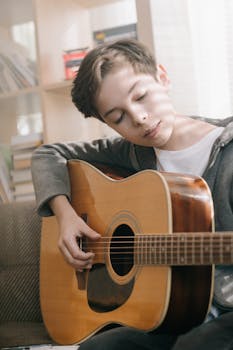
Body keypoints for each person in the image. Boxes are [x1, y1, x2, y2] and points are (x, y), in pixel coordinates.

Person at [31, 39, 233, 350]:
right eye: (117, 117)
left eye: (141, 96)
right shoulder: (132, 153)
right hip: (170, 311)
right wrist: (66, 216)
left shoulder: (228, 147)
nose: (138, 117)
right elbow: (48, 154)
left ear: (162, 77)